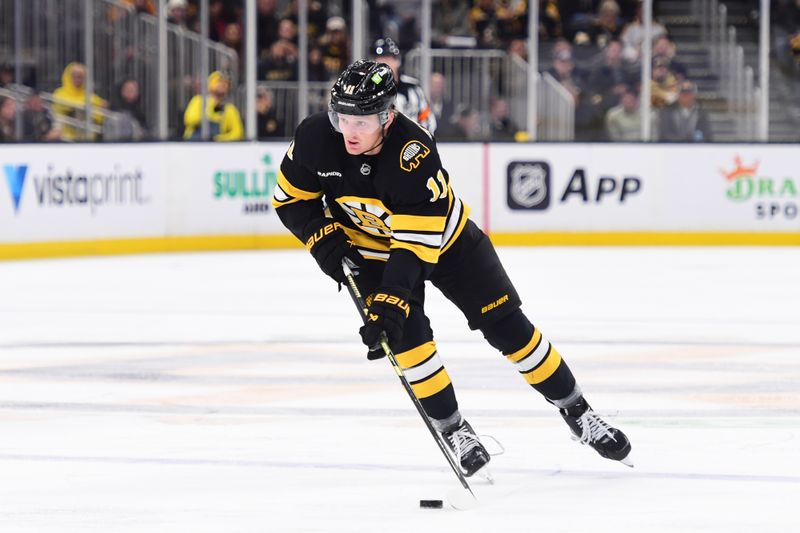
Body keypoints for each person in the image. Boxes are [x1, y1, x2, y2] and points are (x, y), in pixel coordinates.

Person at [272, 59, 633, 478]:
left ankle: (578, 412)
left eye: (363, 120)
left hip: (448, 244)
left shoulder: (412, 152)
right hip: (370, 252)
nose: (350, 131)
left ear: (387, 116)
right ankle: (454, 429)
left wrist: (392, 301)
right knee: (408, 345)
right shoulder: (316, 137)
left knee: (510, 330)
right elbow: (291, 200)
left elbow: (414, 247)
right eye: (343, 117)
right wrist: (323, 239)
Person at [372, 37, 437, 134]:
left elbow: (426, 117)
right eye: (380, 59)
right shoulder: (369, 89)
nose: (384, 63)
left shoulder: (413, 87)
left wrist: (419, 138)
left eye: (388, 58)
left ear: (398, 61)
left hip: (411, 143)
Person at [52, 62, 108, 141]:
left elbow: (99, 115)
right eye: (74, 76)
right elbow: (61, 107)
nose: (77, 79)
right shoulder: (59, 93)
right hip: (66, 139)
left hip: (88, 139)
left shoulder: (90, 96)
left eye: (80, 77)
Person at [183, 71, 244, 141]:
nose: (222, 84)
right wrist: (211, 104)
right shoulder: (198, 101)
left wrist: (218, 139)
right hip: (192, 145)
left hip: (216, 149)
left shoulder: (229, 109)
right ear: (210, 84)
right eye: (218, 81)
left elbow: (238, 133)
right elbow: (190, 120)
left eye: (226, 82)